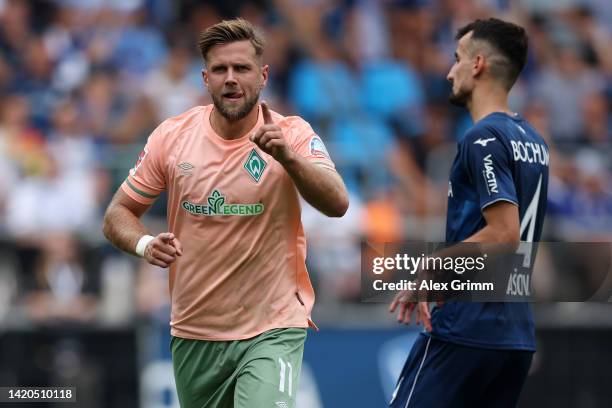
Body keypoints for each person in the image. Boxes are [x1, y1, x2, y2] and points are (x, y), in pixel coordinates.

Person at [102, 18, 348, 408]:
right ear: (205, 78)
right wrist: (145, 244)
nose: (231, 79)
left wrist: (288, 159)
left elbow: (338, 203)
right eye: (220, 69)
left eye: (242, 68)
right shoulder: (173, 137)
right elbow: (118, 214)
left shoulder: (292, 134)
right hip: (195, 332)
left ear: (263, 75)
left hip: (272, 326)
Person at [389, 18, 549, 407]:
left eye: (456, 58)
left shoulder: (483, 137)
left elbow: (503, 233)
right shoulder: (533, 141)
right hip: (514, 336)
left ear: (477, 64)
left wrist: (432, 267)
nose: (449, 71)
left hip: (466, 329)